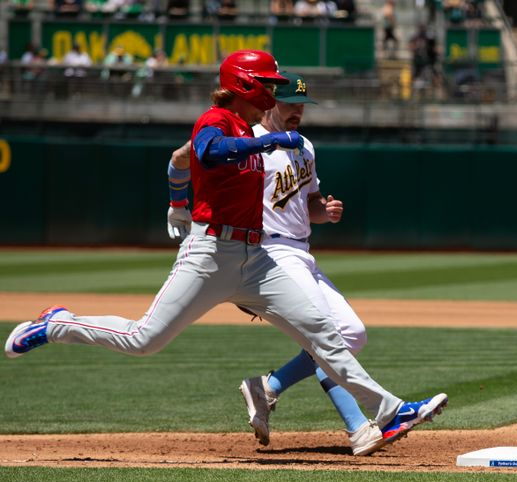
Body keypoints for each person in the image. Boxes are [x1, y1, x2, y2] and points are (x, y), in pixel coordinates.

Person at [2, 50, 445, 452]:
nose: (274, 91)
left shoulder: (273, 137)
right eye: (268, 83)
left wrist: (182, 198)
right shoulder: (215, 121)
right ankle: (57, 325)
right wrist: (256, 150)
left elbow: (189, 164)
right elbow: (208, 153)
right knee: (143, 341)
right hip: (211, 254)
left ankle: (390, 411)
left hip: (258, 261)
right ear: (248, 85)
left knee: (325, 333)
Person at [167, 71, 403, 456]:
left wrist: (322, 211)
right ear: (268, 101)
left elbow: (308, 201)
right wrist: (178, 200)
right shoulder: (245, 139)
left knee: (352, 334)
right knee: (326, 332)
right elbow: (185, 156)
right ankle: (360, 427)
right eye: (291, 103)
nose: (298, 112)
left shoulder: (305, 146)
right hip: (266, 252)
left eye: (302, 106)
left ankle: (270, 386)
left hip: (302, 251)